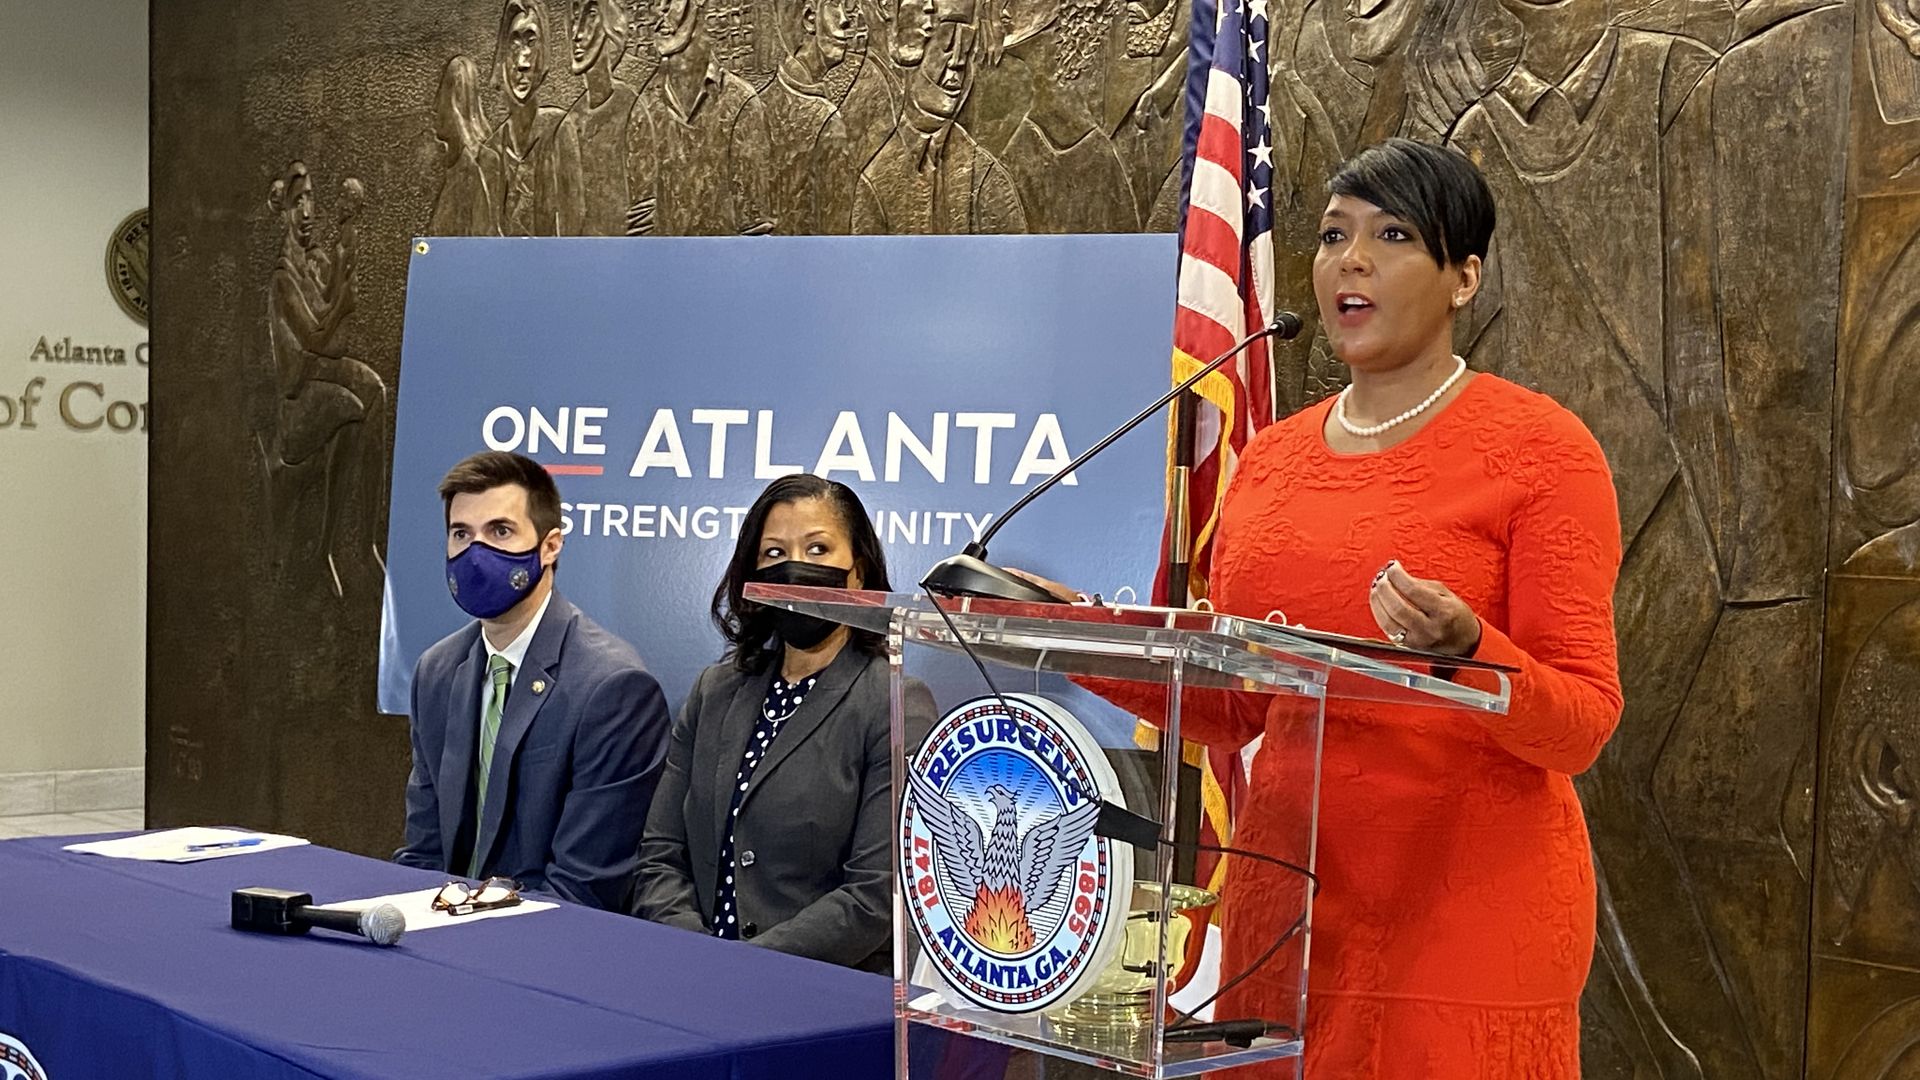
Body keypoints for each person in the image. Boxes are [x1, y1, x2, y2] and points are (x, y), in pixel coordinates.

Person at [1032, 138, 1623, 1078]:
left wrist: (1474, 646)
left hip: (1463, 921)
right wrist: (1072, 636)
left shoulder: (1543, 451)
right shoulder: (1272, 460)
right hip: (1288, 912)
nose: (1350, 260)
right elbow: (1239, 705)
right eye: (1334, 235)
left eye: (1391, 236)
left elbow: (1582, 722)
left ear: (1464, 278)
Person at [631, 475, 937, 972]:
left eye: (818, 549)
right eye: (774, 553)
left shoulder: (895, 702)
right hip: (690, 977)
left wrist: (746, 970)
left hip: (820, 994)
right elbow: (660, 854)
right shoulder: (715, 690)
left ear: (857, 571)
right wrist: (696, 955)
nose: (795, 569)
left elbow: (874, 896)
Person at [396, 452, 670, 911]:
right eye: (461, 534)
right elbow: (424, 851)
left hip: (547, 947)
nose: (475, 554)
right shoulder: (436, 671)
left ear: (550, 546)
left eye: (500, 531)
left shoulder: (613, 688)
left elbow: (585, 888)